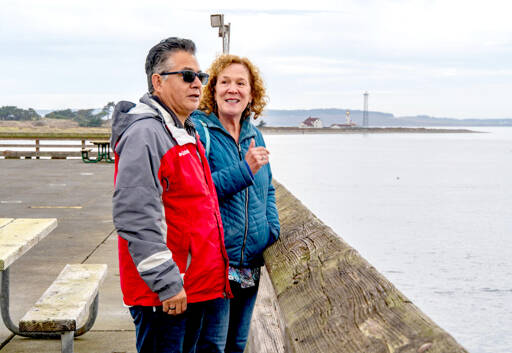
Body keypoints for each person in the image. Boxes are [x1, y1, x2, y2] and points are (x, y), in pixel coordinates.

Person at [111, 37, 232, 353]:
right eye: (187, 76)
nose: (198, 84)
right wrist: (166, 283)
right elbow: (135, 215)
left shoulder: (182, 131)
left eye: (201, 77)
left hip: (190, 288)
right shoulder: (146, 134)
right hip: (164, 295)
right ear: (158, 82)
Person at [191, 54, 280, 353]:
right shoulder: (202, 133)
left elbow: (267, 190)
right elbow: (198, 191)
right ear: (212, 90)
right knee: (212, 346)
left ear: (251, 94)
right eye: (225, 82)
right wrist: (244, 170)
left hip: (250, 264)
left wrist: (271, 229)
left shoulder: (256, 136)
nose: (233, 89)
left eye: (241, 83)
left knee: (237, 346)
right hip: (216, 263)